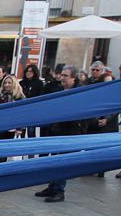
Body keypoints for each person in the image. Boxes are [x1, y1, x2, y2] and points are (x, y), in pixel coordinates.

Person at [34, 66, 84, 202]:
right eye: (61, 75)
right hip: (56, 130)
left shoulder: (78, 93)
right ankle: (52, 186)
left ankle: (59, 190)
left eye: (65, 76)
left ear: (73, 77)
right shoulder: (59, 90)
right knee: (55, 160)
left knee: (63, 162)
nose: (62, 78)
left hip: (70, 132)